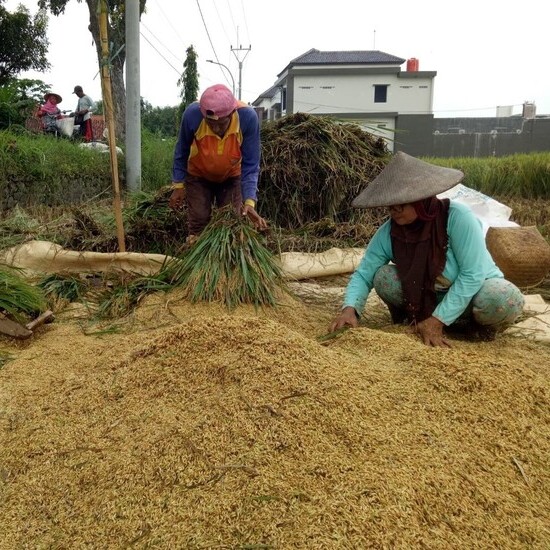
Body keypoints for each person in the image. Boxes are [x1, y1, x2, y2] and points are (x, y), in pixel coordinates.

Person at [329, 152, 525, 347]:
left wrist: (438, 320)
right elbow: (365, 273)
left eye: (400, 205)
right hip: (427, 297)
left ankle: (476, 329)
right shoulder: (389, 232)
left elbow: (472, 274)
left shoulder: (457, 217)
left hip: (472, 296)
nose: (393, 211)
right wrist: (350, 309)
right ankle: (414, 319)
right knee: (383, 276)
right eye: (389, 207)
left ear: (420, 201)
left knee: (502, 296)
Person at [169, 83, 267, 242]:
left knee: (229, 223)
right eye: (211, 124)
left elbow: (251, 164)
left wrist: (249, 201)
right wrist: (178, 185)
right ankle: (196, 256)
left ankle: (226, 259)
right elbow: (181, 150)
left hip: (231, 176)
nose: (216, 129)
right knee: (199, 221)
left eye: (221, 124)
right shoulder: (192, 115)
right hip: (198, 175)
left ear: (232, 113)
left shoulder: (247, 118)